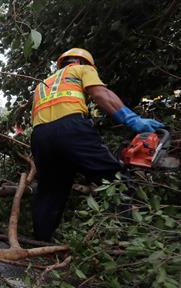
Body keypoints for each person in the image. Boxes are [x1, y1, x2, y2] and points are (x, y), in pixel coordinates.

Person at [30, 48, 164, 241]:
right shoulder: (81, 69)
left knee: (51, 190)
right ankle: (120, 239)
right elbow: (101, 94)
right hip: (71, 128)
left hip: (40, 135)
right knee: (116, 179)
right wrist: (133, 120)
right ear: (84, 62)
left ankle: (39, 243)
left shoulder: (43, 84)